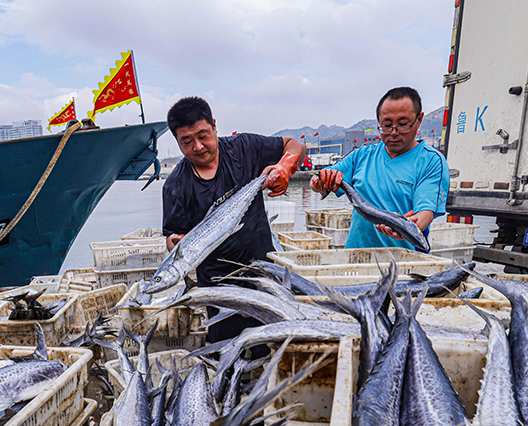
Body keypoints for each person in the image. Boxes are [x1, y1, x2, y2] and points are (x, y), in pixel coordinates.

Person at [162, 96, 305, 343]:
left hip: (263, 271)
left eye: (203, 135)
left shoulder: (244, 148)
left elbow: (295, 145)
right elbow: (174, 237)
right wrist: (175, 243)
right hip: (218, 286)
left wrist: (284, 166)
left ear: (214, 126)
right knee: (225, 353)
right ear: (177, 142)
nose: (197, 146)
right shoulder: (175, 186)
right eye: (186, 141)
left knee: (270, 346)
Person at [311, 86, 449, 249]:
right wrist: (320, 181)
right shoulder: (362, 155)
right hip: (355, 259)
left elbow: (425, 214)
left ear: (419, 120)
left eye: (403, 124)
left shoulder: (431, 161)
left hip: (404, 262)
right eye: (386, 125)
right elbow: (317, 181)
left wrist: (411, 226)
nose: (393, 132)